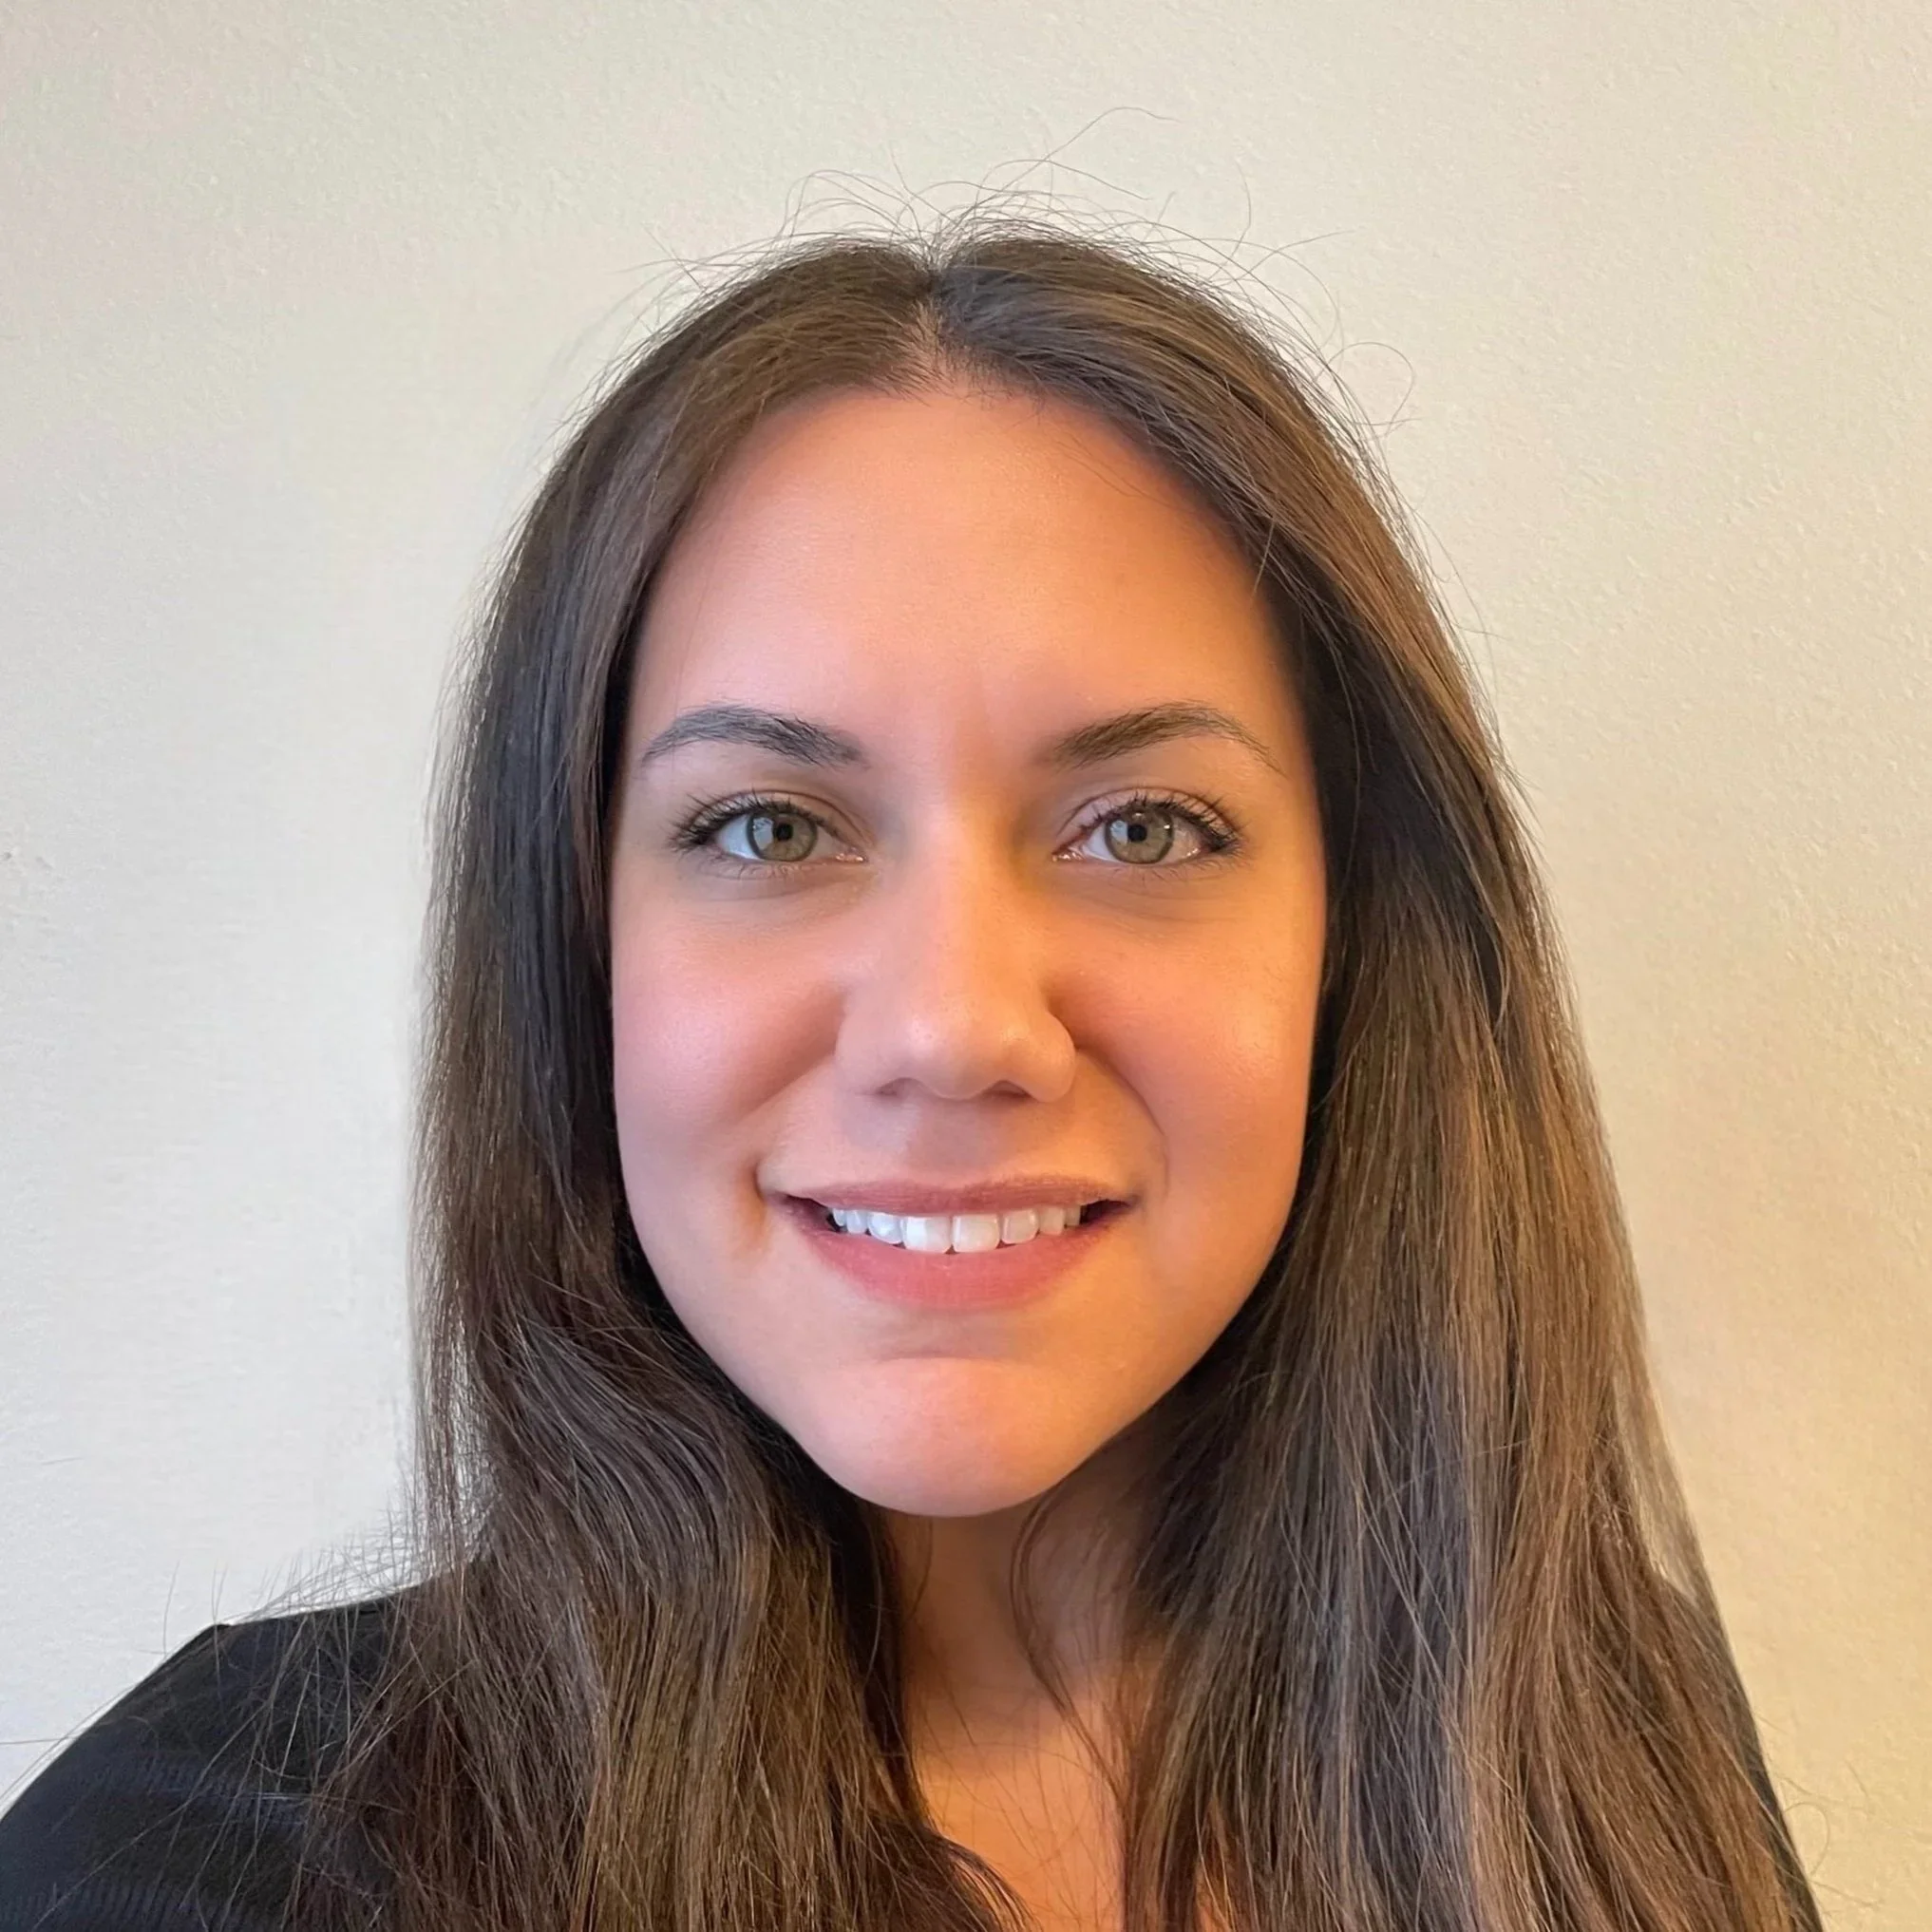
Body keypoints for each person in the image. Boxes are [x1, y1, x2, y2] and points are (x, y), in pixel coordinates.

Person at [0, 217, 1825, 1932]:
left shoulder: (1596, 1744)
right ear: (577, 954)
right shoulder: (217, 1862)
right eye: (769, 822)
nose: (951, 1026)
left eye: (1144, 827)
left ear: (1363, 948)